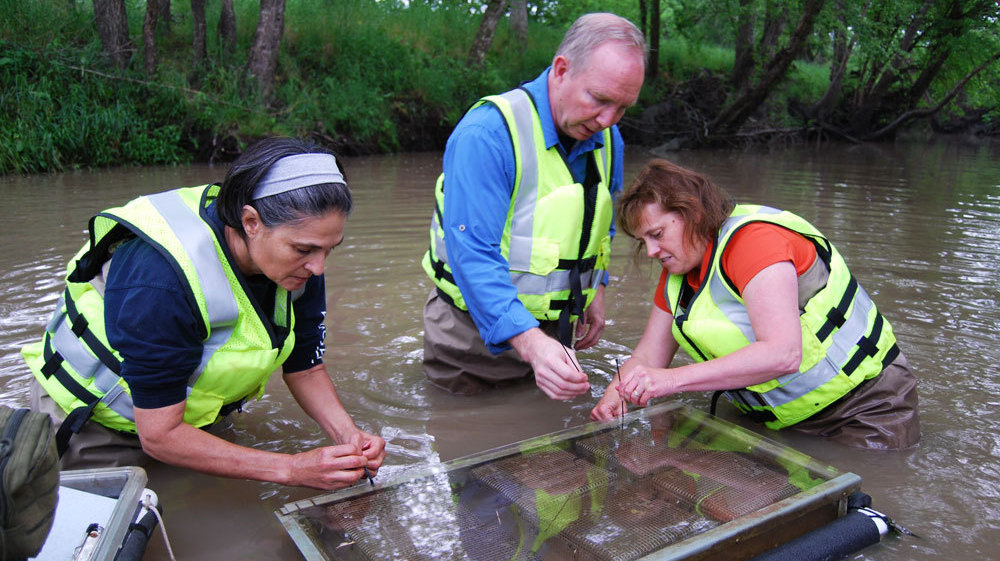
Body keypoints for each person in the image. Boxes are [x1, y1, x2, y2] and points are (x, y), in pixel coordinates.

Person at [22, 137, 386, 489]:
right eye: (305, 249)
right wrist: (291, 469)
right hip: (98, 428)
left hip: (182, 419)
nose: (319, 267)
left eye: (329, 248)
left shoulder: (298, 265)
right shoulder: (160, 283)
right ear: (251, 222)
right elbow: (161, 436)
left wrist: (348, 436)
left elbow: (306, 368)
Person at [591, 159, 920, 450]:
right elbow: (648, 356)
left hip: (864, 409)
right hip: (777, 418)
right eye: (643, 240)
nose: (650, 251)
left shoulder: (755, 244)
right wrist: (613, 397)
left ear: (693, 213)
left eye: (657, 234)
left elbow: (783, 354)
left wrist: (671, 380)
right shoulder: (677, 271)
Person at [421, 13, 647, 400]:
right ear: (561, 70)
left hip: (557, 333)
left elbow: (600, 226)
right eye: (600, 99)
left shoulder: (610, 140)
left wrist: (597, 291)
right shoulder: (487, 135)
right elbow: (472, 254)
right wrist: (531, 344)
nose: (608, 119)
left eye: (623, 108)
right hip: (472, 341)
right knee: (472, 447)